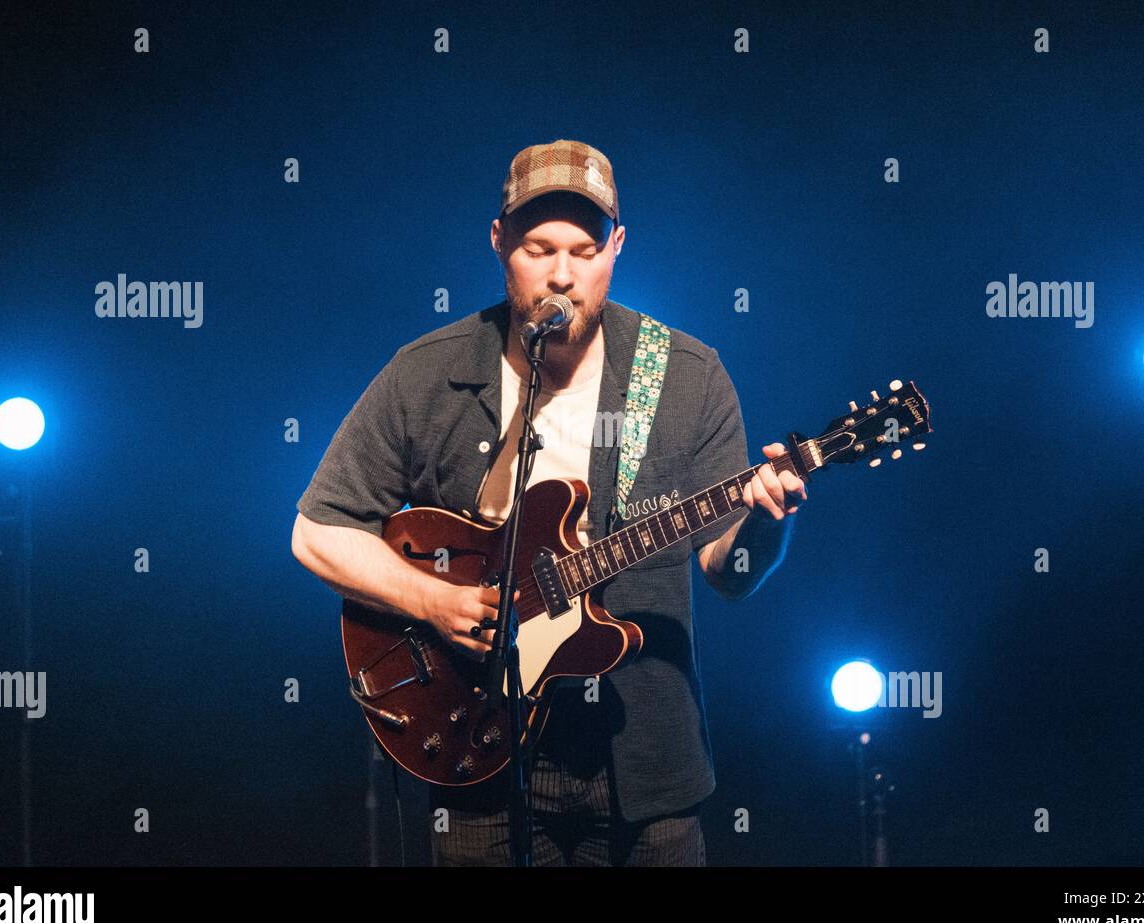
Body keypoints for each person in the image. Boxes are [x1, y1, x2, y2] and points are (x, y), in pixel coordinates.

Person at [292, 139, 806, 866]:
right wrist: (431, 602)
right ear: (499, 242)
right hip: (477, 744)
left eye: (584, 250)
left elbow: (729, 571)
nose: (561, 275)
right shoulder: (427, 373)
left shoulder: (686, 377)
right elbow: (317, 530)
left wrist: (764, 518)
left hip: (644, 763)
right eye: (538, 249)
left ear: (618, 247)